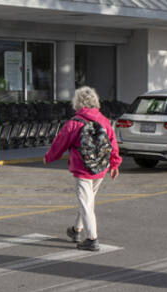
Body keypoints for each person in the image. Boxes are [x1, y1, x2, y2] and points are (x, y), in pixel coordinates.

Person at [44, 86, 120, 251]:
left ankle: (92, 239)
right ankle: (77, 230)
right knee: (88, 200)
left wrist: (49, 157)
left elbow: (60, 143)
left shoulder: (74, 123)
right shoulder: (104, 121)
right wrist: (114, 163)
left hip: (82, 168)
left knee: (86, 203)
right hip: (100, 167)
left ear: (77, 103)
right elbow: (112, 143)